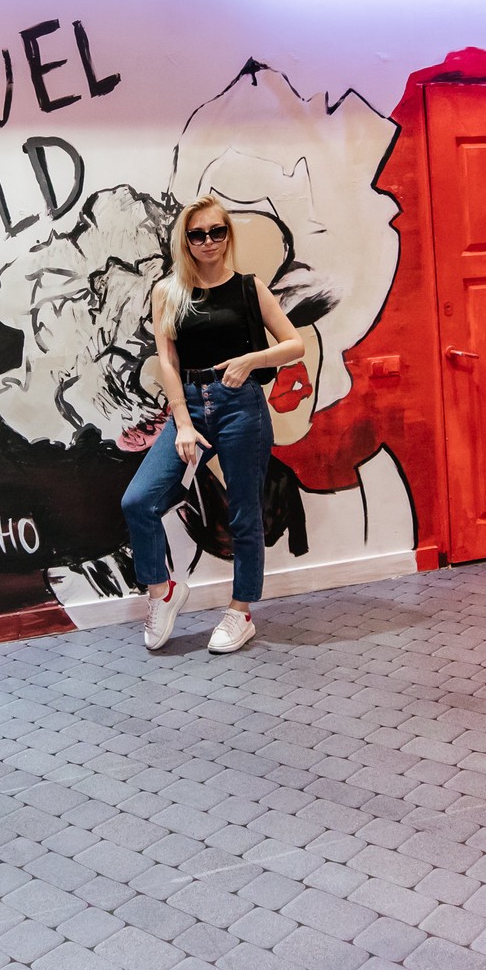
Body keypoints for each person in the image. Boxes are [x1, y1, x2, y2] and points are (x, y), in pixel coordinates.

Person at [126, 196, 306, 654]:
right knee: (139, 501)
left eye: (216, 232)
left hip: (241, 406)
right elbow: (167, 362)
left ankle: (240, 612)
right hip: (190, 404)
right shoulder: (168, 291)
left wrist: (251, 360)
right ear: (185, 241)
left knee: (245, 512)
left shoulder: (248, 288)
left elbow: (294, 344)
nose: (208, 241)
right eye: (197, 234)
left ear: (228, 235)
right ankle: (162, 591)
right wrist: (183, 424)